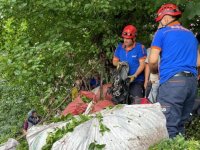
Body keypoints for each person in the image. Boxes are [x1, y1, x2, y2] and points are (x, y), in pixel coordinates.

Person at [149, 3, 200, 138]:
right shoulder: (191, 35)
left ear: (165, 18)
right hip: (191, 83)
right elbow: (199, 62)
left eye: (160, 21)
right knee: (180, 125)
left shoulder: (162, 33)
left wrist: (154, 74)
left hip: (173, 83)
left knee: (168, 126)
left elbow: (153, 60)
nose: (160, 23)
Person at [113, 25, 147, 104]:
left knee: (136, 103)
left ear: (134, 38)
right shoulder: (119, 48)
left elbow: (142, 64)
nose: (125, 40)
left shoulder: (140, 48)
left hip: (136, 81)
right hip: (122, 81)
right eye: (124, 38)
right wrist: (118, 64)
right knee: (119, 104)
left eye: (128, 38)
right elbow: (114, 61)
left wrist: (135, 75)